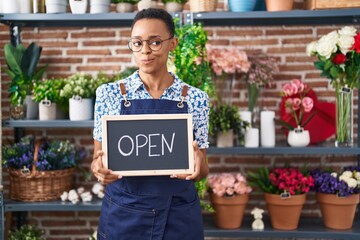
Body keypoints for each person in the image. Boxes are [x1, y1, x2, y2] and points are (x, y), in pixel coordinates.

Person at [91, 8, 209, 240]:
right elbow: (98, 159)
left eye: (155, 42)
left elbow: (203, 169)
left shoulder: (195, 98)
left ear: (172, 43)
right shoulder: (109, 94)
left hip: (179, 215)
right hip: (124, 213)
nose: (145, 51)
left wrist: (198, 165)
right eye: (137, 43)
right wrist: (99, 169)